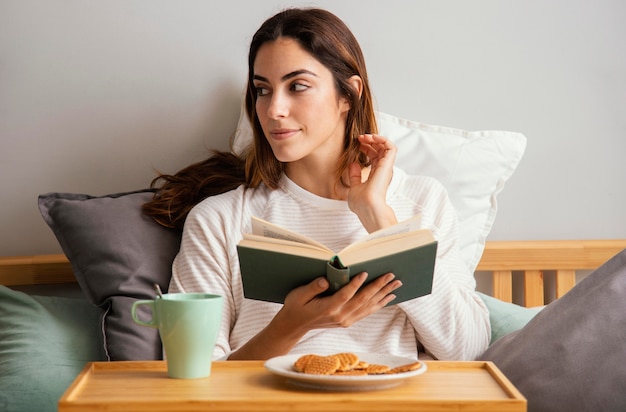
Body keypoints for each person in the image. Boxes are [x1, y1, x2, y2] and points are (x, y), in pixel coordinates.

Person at [143, 7, 490, 361]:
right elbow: (196, 375)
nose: (274, 109)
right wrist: (290, 326)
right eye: (263, 90)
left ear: (348, 95)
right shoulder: (220, 219)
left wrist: (379, 220)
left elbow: (468, 348)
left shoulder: (422, 201)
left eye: (297, 86)